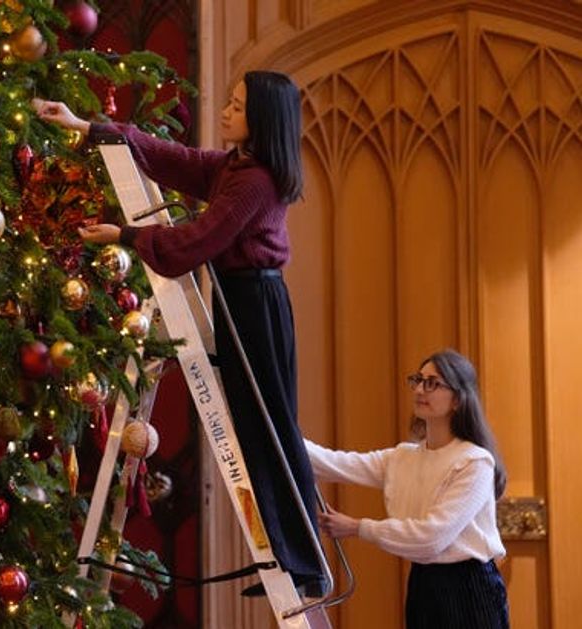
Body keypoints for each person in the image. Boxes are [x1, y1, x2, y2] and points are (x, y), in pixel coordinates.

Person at [33, 71, 327, 595]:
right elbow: (175, 159)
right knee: (256, 428)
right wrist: (85, 126)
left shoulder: (255, 181)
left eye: (237, 107)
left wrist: (126, 234)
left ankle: (302, 560)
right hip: (244, 300)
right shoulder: (236, 168)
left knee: (270, 427)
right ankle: (290, 556)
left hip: (256, 305)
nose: (226, 111)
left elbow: (199, 239)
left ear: (260, 119)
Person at [306, 349, 510, 628]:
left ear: (458, 400)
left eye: (433, 383)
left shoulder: (474, 463)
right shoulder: (402, 457)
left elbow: (431, 538)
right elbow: (331, 463)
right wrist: (276, 428)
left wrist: (357, 527)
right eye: (418, 380)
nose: (420, 390)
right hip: (423, 584)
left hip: (470, 588)